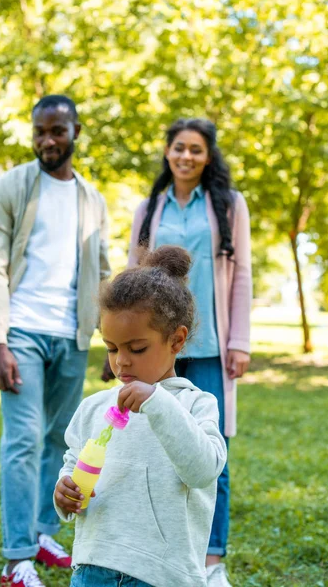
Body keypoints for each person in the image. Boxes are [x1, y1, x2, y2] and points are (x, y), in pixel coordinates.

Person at [0, 95, 110, 587]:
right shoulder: (10, 187)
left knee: (58, 438)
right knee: (23, 440)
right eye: (40, 132)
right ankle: (15, 558)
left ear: (75, 132)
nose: (48, 141)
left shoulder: (92, 199)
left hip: (71, 333)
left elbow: (102, 271)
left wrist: (108, 339)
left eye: (57, 132)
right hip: (21, 329)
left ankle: (46, 534)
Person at [54, 245, 227, 587]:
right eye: (112, 348)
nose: (121, 362)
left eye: (137, 348)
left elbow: (204, 470)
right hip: (93, 567)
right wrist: (64, 490)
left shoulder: (196, 404)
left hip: (161, 574)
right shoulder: (93, 408)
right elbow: (74, 462)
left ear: (176, 340)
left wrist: (158, 402)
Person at [126, 118, 252, 587]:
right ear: (167, 152)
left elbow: (242, 277)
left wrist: (239, 342)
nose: (186, 157)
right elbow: (133, 274)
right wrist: (124, 340)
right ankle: (161, 549)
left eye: (196, 150)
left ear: (208, 156)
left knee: (210, 449)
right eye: (179, 147)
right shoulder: (150, 208)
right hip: (161, 345)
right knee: (155, 444)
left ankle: (211, 560)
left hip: (211, 345)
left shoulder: (229, 205)